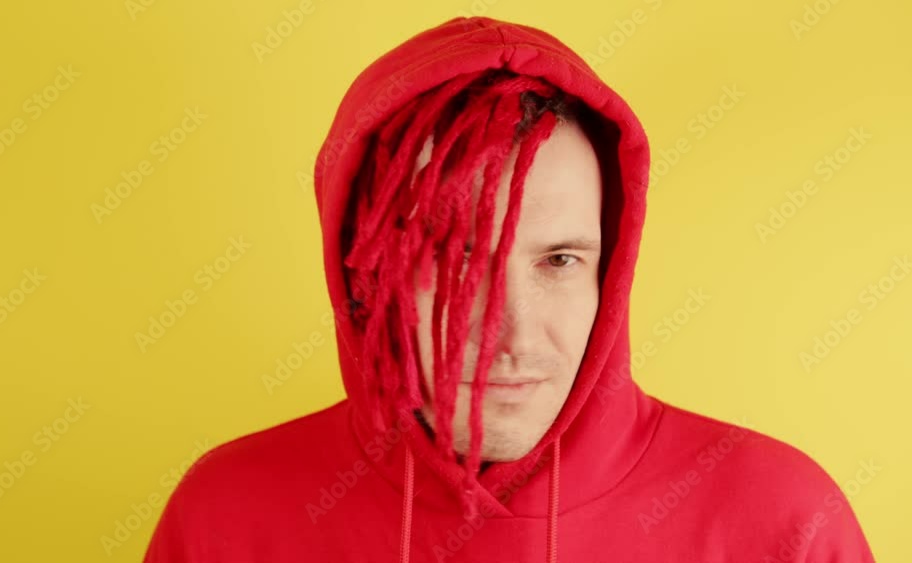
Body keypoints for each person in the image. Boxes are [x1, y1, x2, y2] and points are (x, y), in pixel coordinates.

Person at [143, 16, 875, 562]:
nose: (512, 336)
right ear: (361, 271)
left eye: (558, 260)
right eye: (453, 260)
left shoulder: (785, 521)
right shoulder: (225, 518)